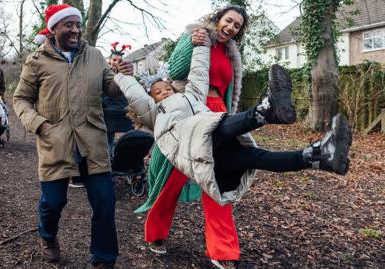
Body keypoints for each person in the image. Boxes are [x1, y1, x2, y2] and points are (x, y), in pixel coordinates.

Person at [114, 29, 352, 269]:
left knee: (253, 156)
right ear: (151, 98)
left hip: (215, 149)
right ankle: (265, 112)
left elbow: (198, 72)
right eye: (158, 92)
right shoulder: (153, 113)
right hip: (191, 143)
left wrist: (202, 46)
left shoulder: (193, 96)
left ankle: (317, 156)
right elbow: (133, 93)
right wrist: (120, 75)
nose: (165, 91)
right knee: (209, 130)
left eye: (167, 88)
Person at [13, 4, 133, 268]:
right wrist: (39, 125)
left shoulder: (95, 56)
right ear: (54, 28)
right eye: (68, 25)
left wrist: (123, 77)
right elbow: (21, 99)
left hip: (93, 141)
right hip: (55, 141)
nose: (75, 30)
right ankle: (47, 236)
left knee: (104, 202)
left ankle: (103, 257)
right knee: (53, 202)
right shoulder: (37, 61)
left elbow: (111, 89)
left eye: (77, 25)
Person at [139, 6, 252, 269]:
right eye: (229, 21)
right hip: (191, 113)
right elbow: (176, 72)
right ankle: (155, 233)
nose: (231, 27)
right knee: (172, 178)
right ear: (218, 19)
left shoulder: (231, 54)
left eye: (237, 25)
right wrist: (191, 43)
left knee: (218, 180)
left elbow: (228, 92)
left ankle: (223, 249)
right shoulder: (197, 35)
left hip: (219, 117)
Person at [103, 42, 134, 159]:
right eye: (114, 60)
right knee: (108, 140)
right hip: (108, 113)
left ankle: (127, 160)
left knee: (128, 139)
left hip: (123, 112)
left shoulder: (127, 76)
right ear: (110, 61)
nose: (116, 63)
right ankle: (109, 160)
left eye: (119, 61)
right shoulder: (104, 75)